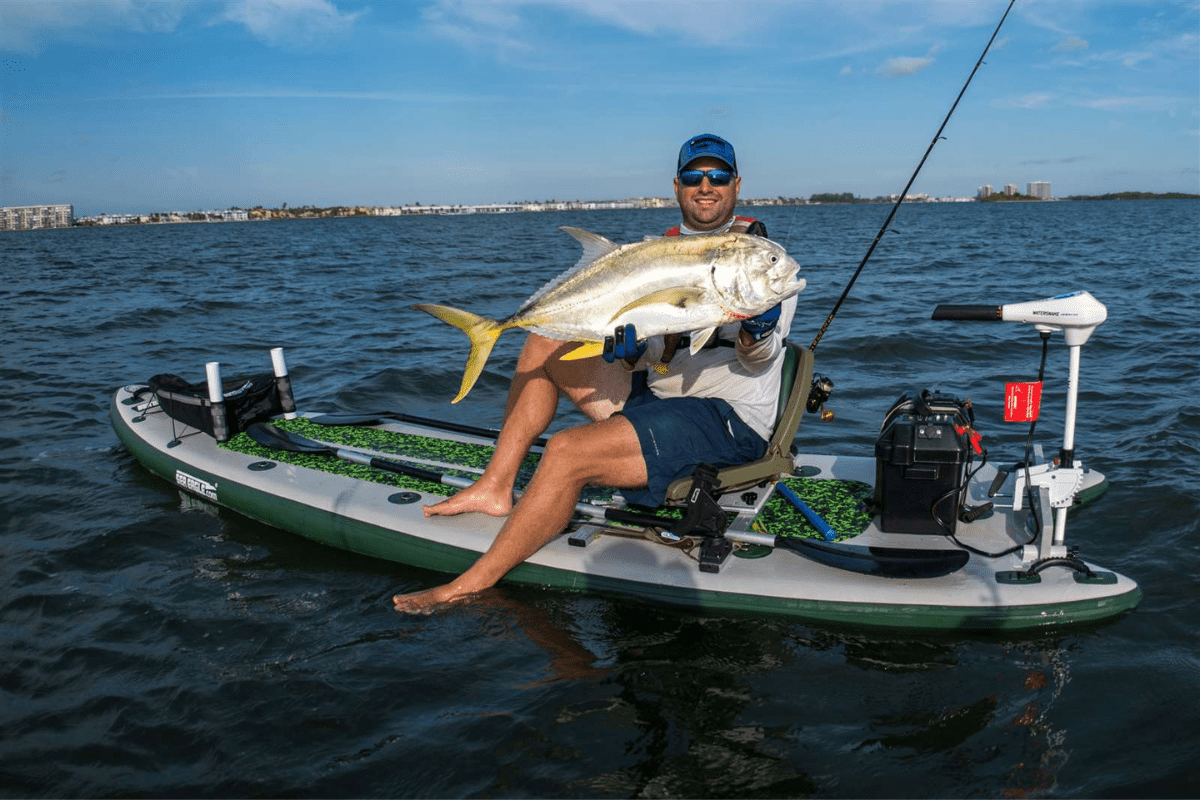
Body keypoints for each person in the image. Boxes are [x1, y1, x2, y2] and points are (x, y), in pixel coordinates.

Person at [393, 133, 798, 613]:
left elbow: (758, 357)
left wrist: (759, 330)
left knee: (566, 452)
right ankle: (496, 485)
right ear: (677, 186)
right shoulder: (658, 254)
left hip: (728, 419)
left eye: (718, 176)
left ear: (736, 185)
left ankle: (469, 584)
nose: (705, 185)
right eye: (694, 176)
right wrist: (628, 354)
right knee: (542, 340)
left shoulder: (760, 261)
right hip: (663, 401)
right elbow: (652, 356)